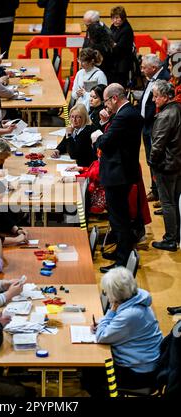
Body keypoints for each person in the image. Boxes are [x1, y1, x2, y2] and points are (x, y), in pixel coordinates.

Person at [82, 267, 162, 397]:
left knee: (90, 374)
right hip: (143, 363)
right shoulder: (137, 297)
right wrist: (104, 322)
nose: (106, 296)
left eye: (106, 292)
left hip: (139, 374)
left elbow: (102, 336)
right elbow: (115, 324)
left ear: (115, 295)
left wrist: (111, 311)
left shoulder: (131, 314)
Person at [92, 84, 143, 272]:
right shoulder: (128, 113)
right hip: (121, 173)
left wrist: (98, 135)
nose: (106, 106)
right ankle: (122, 252)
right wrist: (106, 124)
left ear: (114, 98)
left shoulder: (124, 115)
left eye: (106, 101)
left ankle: (122, 262)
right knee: (117, 219)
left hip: (118, 175)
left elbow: (105, 142)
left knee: (119, 220)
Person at [150, 80, 181, 252]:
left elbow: (157, 145)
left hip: (166, 166)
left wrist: (152, 163)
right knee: (175, 201)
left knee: (167, 203)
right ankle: (176, 235)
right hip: (177, 163)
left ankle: (170, 239)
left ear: (165, 96)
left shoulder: (165, 116)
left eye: (156, 97)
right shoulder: (178, 109)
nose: (154, 100)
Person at [138, 54, 170, 203]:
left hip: (154, 125)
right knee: (150, 158)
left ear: (154, 68)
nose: (142, 69)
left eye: (144, 67)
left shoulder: (163, 78)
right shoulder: (151, 77)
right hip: (146, 124)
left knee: (155, 159)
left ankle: (160, 193)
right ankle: (155, 189)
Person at [51, 103, 97, 168]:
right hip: (77, 164)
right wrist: (58, 150)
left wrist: (69, 135)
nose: (74, 120)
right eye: (72, 117)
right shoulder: (76, 127)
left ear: (84, 117)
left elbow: (74, 155)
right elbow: (65, 142)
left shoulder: (87, 131)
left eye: (78, 117)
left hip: (86, 168)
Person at [109, 6, 134, 87]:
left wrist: (113, 44)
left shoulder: (127, 29)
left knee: (119, 86)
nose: (114, 20)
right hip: (114, 62)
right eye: (113, 18)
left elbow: (119, 49)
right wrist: (113, 44)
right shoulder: (113, 26)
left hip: (122, 65)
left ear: (123, 17)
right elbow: (110, 41)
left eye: (117, 18)